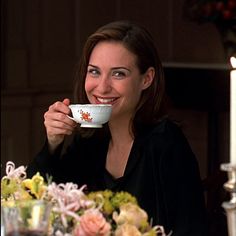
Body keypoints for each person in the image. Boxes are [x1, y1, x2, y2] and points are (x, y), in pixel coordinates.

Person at [27, 20, 207, 235]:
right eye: (94, 72)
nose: (102, 87)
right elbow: (34, 205)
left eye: (118, 73)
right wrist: (53, 143)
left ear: (146, 79)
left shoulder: (167, 144)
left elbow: (191, 228)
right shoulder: (90, 141)